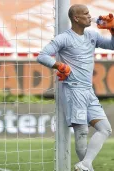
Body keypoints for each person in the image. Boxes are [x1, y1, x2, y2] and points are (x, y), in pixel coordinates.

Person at [37, 4, 112, 171]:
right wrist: (59, 66)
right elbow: (42, 56)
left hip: (88, 90)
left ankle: (85, 164)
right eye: (85, 14)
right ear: (76, 18)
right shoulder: (64, 38)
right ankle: (86, 167)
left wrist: (112, 30)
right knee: (82, 132)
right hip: (73, 89)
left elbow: (112, 46)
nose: (89, 16)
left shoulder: (92, 35)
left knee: (105, 129)